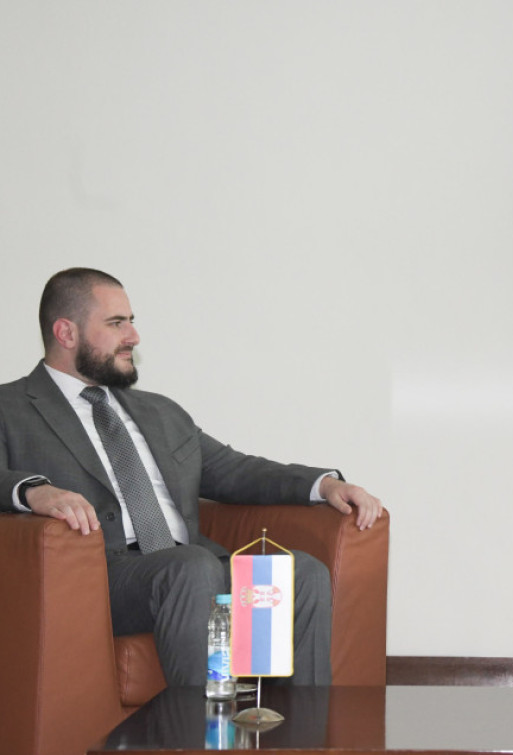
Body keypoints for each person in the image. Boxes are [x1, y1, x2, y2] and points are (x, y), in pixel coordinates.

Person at [0, 267, 384, 687]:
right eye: (116, 323)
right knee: (190, 567)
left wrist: (324, 484)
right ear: (66, 333)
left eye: (131, 321)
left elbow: (235, 469)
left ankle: (304, 727)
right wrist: (31, 491)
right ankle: (198, 726)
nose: (133, 336)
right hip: (103, 577)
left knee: (300, 573)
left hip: (194, 566)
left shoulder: (159, 411)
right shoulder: (11, 407)